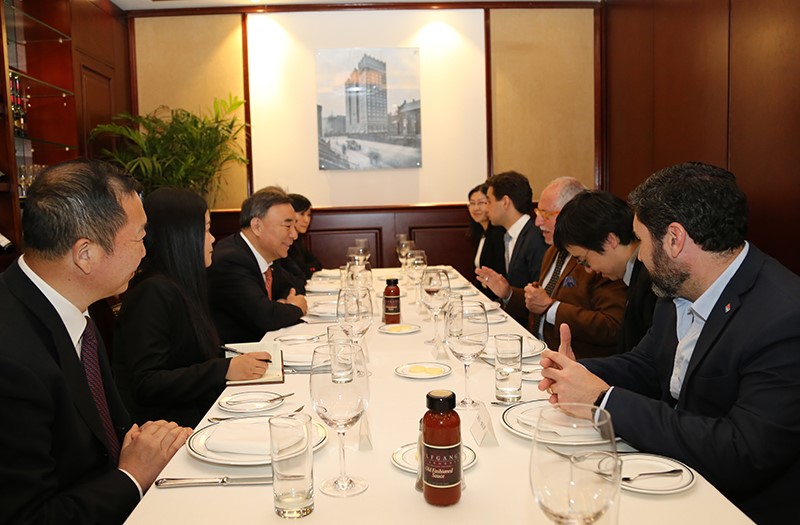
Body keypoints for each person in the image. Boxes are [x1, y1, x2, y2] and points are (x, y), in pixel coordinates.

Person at [539, 162, 800, 524]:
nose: (640, 255)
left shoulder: (783, 317)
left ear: (675, 239)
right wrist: (576, 372)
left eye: (642, 240)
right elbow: (647, 364)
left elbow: (741, 452)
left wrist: (602, 399)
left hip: (733, 507)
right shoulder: (677, 290)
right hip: (671, 473)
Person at [0, 159, 192, 524]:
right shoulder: (11, 360)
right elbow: (29, 516)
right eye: (139, 238)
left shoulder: (71, 307)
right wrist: (132, 476)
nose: (145, 252)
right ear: (85, 254)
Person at [113, 188, 272, 427]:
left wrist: (235, 360)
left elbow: (191, 356)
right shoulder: (152, 292)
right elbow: (147, 383)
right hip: (172, 427)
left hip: (197, 411)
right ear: (182, 235)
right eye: (206, 230)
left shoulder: (182, 285)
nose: (213, 239)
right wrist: (224, 369)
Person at [478, 177, 627, 358]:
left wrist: (551, 307)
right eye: (538, 212)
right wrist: (508, 293)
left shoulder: (600, 258)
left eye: (546, 215)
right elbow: (540, 303)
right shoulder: (553, 250)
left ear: (571, 215)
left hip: (577, 361)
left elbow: (612, 326)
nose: (537, 222)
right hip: (538, 350)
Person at [553, 190, 657, 353]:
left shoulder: (651, 280)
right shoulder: (635, 274)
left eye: (584, 260)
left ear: (610, 240)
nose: (588, 270)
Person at [208, 186, 308, 343]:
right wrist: (296, 308)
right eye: (288, 226)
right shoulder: (231, 260)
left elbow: (294, 285)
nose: (294, 235)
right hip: (237, 352)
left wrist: (281, 304)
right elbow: (266, 318)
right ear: (257, 227)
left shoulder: (267, 255)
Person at [478, 171, 547, 323]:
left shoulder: (536, 238)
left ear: (505, 202)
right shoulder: (510, 235)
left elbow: (540, 295)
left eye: (489, 201)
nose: (486, 209)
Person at [466, 183, 505, 298]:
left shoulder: (498, 234)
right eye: (472, 203)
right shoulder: (481, 233)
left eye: (481, 203)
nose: (476, 208)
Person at [286, 193, 323, 281]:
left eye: (309, 215)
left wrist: (308, 269)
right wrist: (307, 269)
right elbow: (298, 274)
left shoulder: (299, 240)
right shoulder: (284, 242)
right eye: (302, 214)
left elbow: (317, 264)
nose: (306, 220)